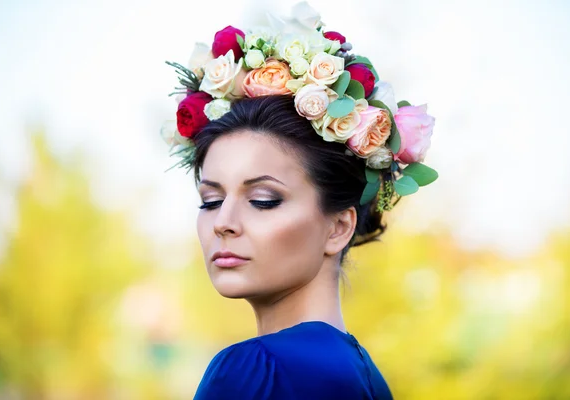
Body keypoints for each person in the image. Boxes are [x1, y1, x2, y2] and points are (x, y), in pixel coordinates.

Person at [161, 3, 436, 399]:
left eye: (263, 199)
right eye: (210, 200)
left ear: (338, 227)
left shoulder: (253, 370)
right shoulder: (367, 378)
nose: (224, 222)